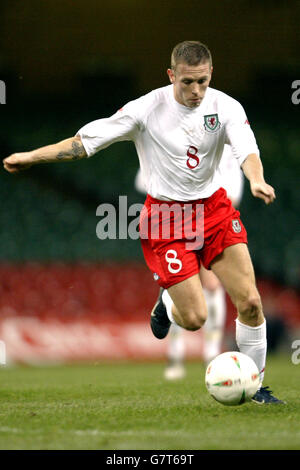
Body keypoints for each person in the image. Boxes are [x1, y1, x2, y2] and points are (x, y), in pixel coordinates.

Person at [3, 40, 284, 404]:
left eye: (201, 81)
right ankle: (168, 303)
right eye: (187, 82)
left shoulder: (226, 106)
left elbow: (247, 150)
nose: (195, 90)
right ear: (171, 76)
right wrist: (31, 157)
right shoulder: (146, 109)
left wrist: (256, 179)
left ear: (211, 74)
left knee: (250, 302)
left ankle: (257, 388)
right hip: (166, 219)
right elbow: (84, 143)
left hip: (213, 211)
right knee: (196, 317)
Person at [135, 144, 244, 380]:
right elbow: (145, 180)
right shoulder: (174, 142)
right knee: (183, 285)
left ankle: (211, 353)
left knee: (213, 286)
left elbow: (234, 194)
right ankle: (176, 356)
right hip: (174, 221)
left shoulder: (227, 151)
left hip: (212, 220)